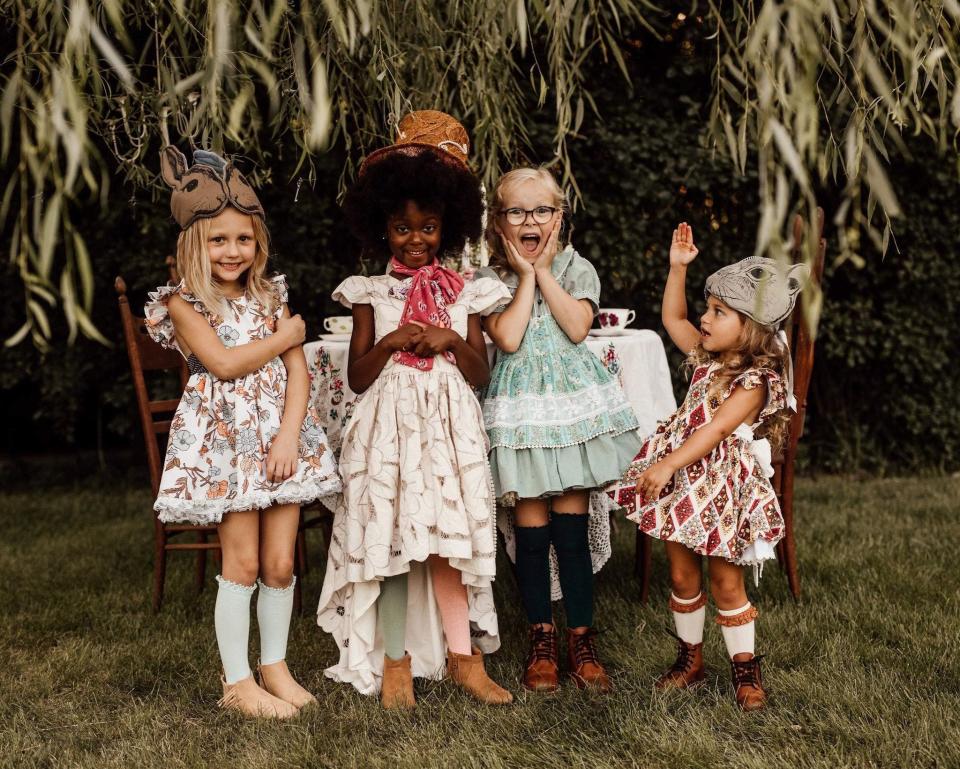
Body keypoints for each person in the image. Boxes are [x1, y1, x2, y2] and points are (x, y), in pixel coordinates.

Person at [316, 111, 513, 708]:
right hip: (389, 432)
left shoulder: (468, 293)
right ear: (383, 230)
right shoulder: (369, 293)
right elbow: (356, 377)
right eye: (403, 229)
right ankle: (395, 662)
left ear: (446, 228)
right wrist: (394, 340)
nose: (417, 239)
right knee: (395, 539)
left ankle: (463, 657)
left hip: (449, 429)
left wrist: (450, 340)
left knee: (451, 542)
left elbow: (479, 375)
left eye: (428, 227)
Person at [145, 146, 341, 718]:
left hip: (281, 442)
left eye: (243, 240)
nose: (232, 251)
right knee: (244, 563)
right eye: (218, 240)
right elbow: (225, 364)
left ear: (259, 243)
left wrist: (288, 438)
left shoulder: (271, 294)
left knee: (281, 563)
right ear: (194, 244)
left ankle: (274, 665)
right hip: (228, 446)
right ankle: (236, 681)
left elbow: (299, 375)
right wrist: (285, 339)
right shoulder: (184, 304)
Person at [607, 222, 808, 710]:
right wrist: (677, 268)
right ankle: (689, 659)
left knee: (725, 580)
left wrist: (665, 465)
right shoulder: (705, 358)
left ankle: (745, 670)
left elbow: (716, 430)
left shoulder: (756, 379)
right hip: (684, 486)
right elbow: (672, 316)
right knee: (681, 576)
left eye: (719, 312)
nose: (704, 318)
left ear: (751, 327)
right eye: (709, 308)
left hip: (719, 486)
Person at [476, 167, 642, 693]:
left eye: (542, 210)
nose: (531, 220)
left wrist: (546, 271)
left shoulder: (576, 267)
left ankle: (581, 639)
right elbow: (506, 336)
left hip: (571, 417)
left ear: (561, 216)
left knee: (570, 533)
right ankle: (541, 639)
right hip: (523, 419)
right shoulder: (488, 281)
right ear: (498, 221)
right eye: (517, 212)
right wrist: (526, 275)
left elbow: (576, 326)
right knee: (532, 535)